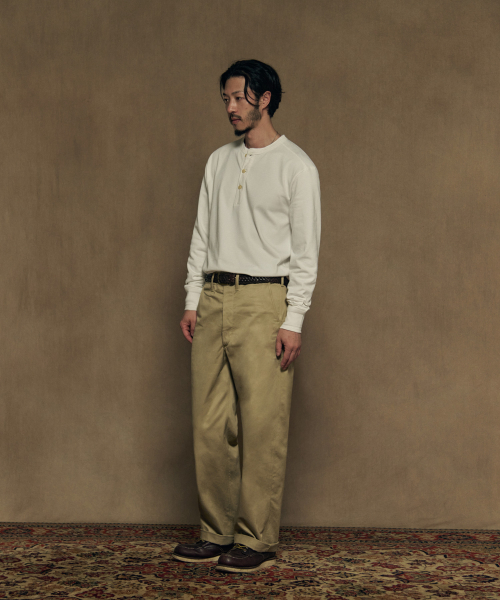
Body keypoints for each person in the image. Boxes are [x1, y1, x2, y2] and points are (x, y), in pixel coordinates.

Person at [173, 59, 321, 573]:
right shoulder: (219, 161)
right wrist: (192, 298)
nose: (231, 108)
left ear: (265, 99)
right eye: (226, 99)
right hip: (214, 298)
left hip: (265, 302)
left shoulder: (296, 166)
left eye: (238, 98)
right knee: (210, 423)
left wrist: (293, 320)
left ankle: (257, 539)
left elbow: (306, 253)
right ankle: (215, 532)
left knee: (262, 424)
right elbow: (201, 234)